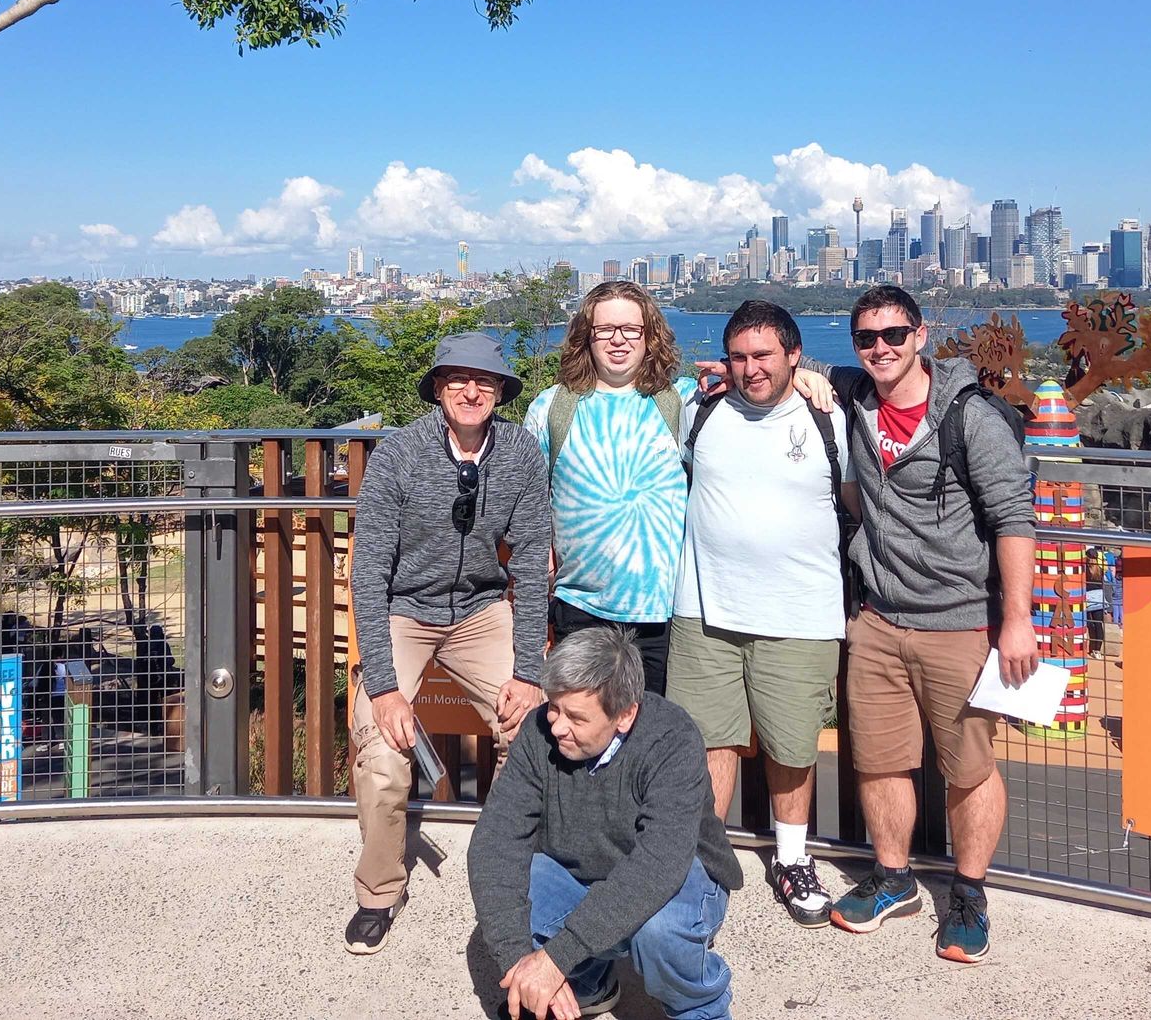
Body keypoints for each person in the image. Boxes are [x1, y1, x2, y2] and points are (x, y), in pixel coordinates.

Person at [813, 285, 1037, 964]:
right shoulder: (856, 395)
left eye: (894, 335)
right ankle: (893, 878)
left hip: (958, 623)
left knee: (968, 768)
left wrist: (1018, 620)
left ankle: (968, 893)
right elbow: (799, 367)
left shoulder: (969, 419)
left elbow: (1013, 519)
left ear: (920, 337)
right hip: (877, 619)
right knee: (879, 762)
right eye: (866, 338)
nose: (880, 348)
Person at [345, 331, 552, 955]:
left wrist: (529, 670)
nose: (470, 390)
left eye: (484, 381)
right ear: (438, 388)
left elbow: (534, 564)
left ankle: (522, 870)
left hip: (482, 608)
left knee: (536, 724)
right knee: (382, 752)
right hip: (405, 612)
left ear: (499, 393)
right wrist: (383, 686)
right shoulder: (401, 454)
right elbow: (370, 570)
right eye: (457, 379)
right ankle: (379, 891)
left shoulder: (518, 453)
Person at [665, 298, 857, 928]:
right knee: (708, 740)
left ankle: (792, 858)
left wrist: (817, 379)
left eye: (765, 356)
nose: (751, 369)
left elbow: (856, 499)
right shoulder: (701, 407)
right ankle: (703, 860)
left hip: (801, 612)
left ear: (794, 356)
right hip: (703, 609)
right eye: (740, 357)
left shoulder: (829, 417)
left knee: (792, 744)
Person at [468, 625, 742, 1020]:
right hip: (580, 871)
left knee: (660, 932)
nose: (557, 726)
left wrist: (555, 956)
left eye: (576, 717)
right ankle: (587, 981)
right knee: (509, 889)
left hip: (680, 876)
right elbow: (496, 844)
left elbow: (658, 866)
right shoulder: (537, 732)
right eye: (554, 707)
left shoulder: (672, 739)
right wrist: (520, 962)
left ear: (625, 714)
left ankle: (700, 1007)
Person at [522, 280, 695, 695]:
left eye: (631, 329)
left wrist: (805, 378)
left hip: (664, 613)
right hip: (579, 607)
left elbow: (760, 387)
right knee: (578, 735)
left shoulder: (682, 402)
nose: (618, 340)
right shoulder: (552, 407)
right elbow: (527, 500)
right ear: (587, 336)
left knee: (652, 743)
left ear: (650, 336)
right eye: (605, 329)